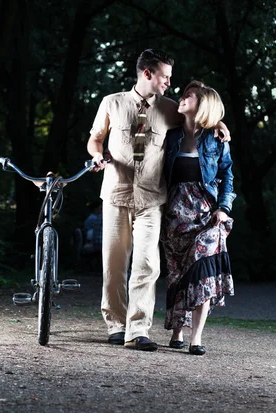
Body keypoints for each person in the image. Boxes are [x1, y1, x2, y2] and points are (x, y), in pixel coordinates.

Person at [87, 49, 231, 351]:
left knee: (148, 264)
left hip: (152, 200)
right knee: (114, 265)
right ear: (148, 74)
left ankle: (138, 330)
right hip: (115, 194)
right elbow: (95, 138)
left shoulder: (170, 109)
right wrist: (97, 153)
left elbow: (200, 118)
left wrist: (219, 126)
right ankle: (116, 324)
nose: (169, 82)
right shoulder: (111, 103)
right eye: (165, 76)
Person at [162, 80, 236, 355]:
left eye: (189, 96)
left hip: (208, 215)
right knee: (177, 274)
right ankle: (177, 332)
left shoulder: (215, 139)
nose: (181, 98)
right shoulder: (171, 137)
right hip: (174, 216)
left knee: (203, 272)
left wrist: (224, 208)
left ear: (202, 104)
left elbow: (227, 176)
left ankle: (197, 338)